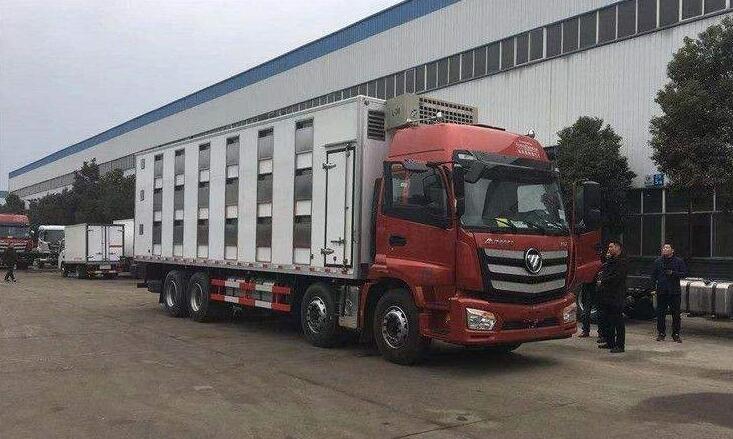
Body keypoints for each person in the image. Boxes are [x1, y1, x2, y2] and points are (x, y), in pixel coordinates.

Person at [651, 243, 687, 342]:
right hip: (662, 291)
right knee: (661, 313)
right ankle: (661, 333)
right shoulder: (658, 261)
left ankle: (676, 334)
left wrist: (673, 273)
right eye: (664, 248)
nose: (665, 249)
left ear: (672, 250)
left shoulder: (678, 261)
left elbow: (684, 273)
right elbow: (653, 276)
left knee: (676, 314)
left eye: (667, 247)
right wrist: (653, 288)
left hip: (674, 292)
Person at [597, 240, 627, 353]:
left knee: (618, 321)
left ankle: (620, 345)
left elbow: (617, 277)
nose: (609, 249)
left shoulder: (622, 262)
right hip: (607, 295)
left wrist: (603, 281)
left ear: (618, 248)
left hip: (616, 295)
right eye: (608, 247)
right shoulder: (610, 260)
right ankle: (610, 342)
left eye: (611, 247)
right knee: (608, 319)